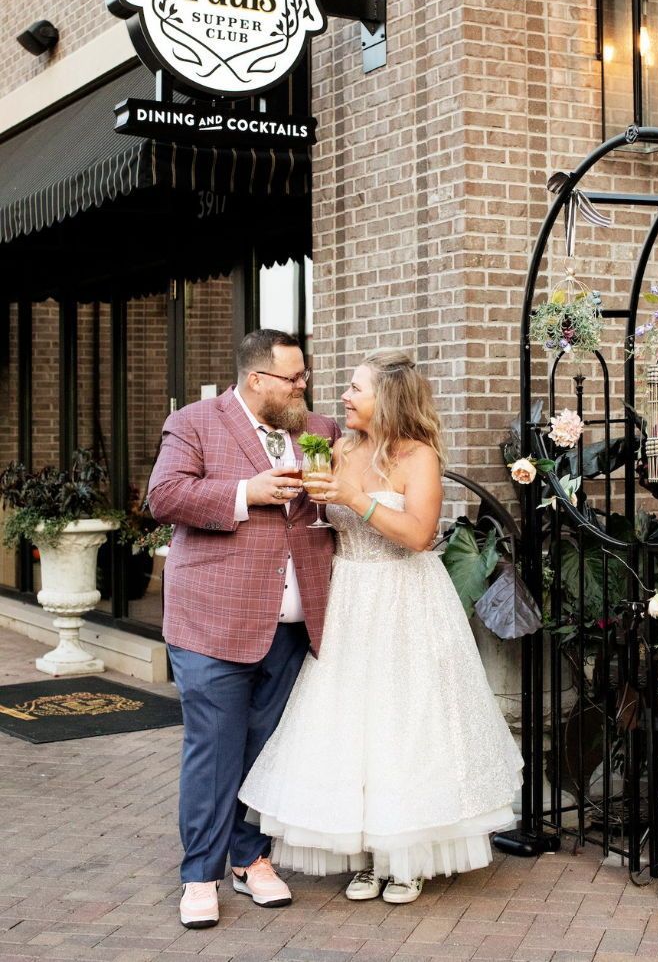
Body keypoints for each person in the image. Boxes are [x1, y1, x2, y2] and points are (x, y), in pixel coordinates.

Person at [240, 349, 523, 904]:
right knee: (352, 723)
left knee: (406, 723)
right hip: (348, 598)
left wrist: (353, 497)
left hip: (405, 597)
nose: (342, 397)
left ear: (387, 400)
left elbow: (419, 535)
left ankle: (407, 858)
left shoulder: (418, 456)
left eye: (355, 389)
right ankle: (367, 855)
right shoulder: (339, 448)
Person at [147, 329, 340, 929]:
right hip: (211, 622)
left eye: (305, 376)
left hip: (291, 625)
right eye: (294, 378)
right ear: (258, 380)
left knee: (264, 752)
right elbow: (165, 496)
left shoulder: (321, 432)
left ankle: (250, 858)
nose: (304, 386)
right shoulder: (196, 423)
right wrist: (244, 492)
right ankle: (198, 874)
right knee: (213, 751)